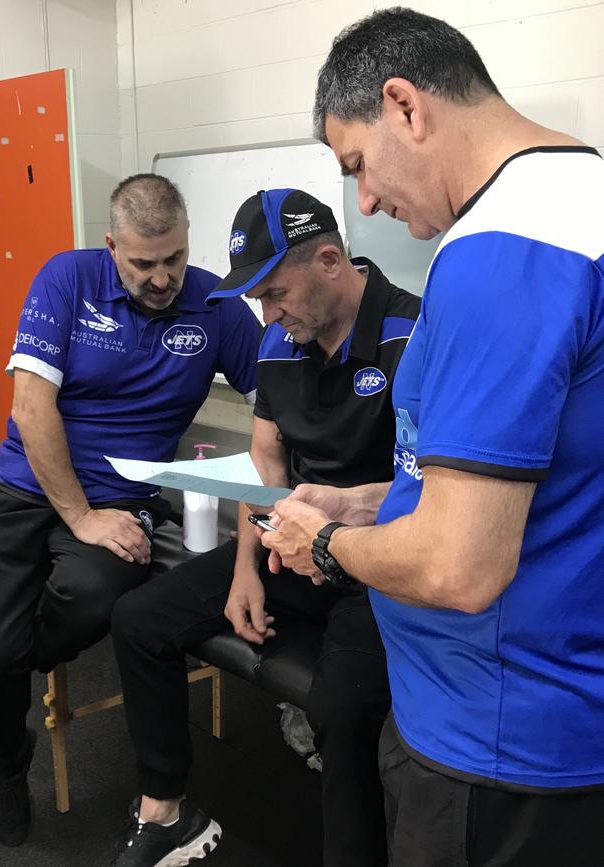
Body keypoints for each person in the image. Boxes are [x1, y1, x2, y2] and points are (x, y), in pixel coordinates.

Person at [260, 8, 604, 867]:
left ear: (405, 106)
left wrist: (329, 542)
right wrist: (370, 500)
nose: (365, 202)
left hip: (496, 747)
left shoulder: (500, 253)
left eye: (358, 167)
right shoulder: (579, 196)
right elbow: (534, 474)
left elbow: (461, 564)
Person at [108, 188, 421, 867]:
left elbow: (436, 495)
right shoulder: (280, 340)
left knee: (342, 705)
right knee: (138, 618)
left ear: (331, 261)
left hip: (378, 569)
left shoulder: (414, 337)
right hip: (289, 551)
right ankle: (167, 812)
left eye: (275, 291)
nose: (266, 314)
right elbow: (266, 463)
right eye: (256, 297)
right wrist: (247, 567)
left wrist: (343, 533)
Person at [0, 173, 260, 847]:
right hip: (25, 489)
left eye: (174, 258)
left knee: (84, 601)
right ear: (111, 246)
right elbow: (30, 408)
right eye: (143, 263)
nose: (163, 278)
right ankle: (8, 763)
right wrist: (80, 515)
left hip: (122, 498)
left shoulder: (214, 304)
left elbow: (278, 389)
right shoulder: (67, 279)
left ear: (187, 242)